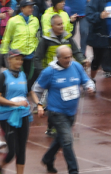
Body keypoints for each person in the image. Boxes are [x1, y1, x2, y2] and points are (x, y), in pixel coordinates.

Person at [33, 44, 95, 174]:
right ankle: (73, 170)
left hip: (71, 111)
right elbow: (36, 89)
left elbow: (86, 80)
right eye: (66, 58)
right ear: (58, 58)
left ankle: (48, 158)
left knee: (60, 138)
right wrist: (39, 104)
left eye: (70, 57)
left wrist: (90, 87)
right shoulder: (49, 72)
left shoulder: (76, 66)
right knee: (67, 140)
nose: (69, 60)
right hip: (56, 112)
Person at [0, 49, 39, 174]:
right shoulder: (3, 76)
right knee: (12, 151)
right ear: (9, 60)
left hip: (23, 114)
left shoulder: (23, 75)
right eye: (16, 58)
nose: (19, 61)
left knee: (21, 149)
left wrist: (38, 103)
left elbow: (31, 91)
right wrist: (14, 103)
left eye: (21, 59)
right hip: (7, 117)